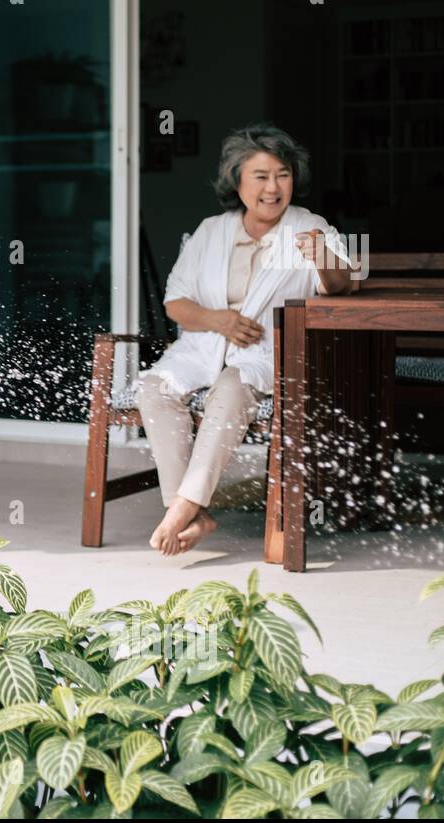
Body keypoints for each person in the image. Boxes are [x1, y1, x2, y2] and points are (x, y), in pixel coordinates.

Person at [136, 123, 353, 556]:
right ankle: (192, 514)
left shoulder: (310, 226)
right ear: (237, 181)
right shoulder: (211, 231)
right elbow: (175, 303)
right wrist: (220, 320)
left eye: (283, 174)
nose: (273, 187)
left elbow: (342, 287)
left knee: (231, 388)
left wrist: (324, 259)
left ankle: (185, 506)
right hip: (202, 346)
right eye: (261, 176)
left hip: (267, 352)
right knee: (152, 388)